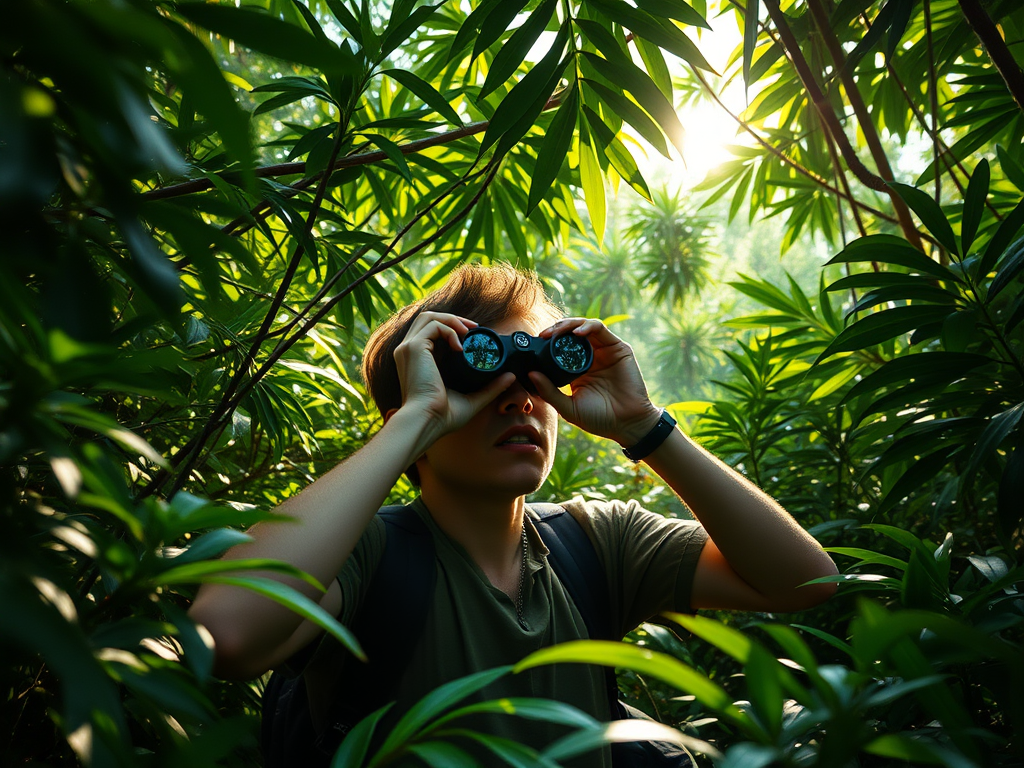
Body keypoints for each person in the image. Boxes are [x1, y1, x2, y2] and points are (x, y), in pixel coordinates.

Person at [188, 264, 838, 764]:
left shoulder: (599, 542)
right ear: (413, 415)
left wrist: (643, 426)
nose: (518, 399)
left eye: (534, 372)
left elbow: (806, 580)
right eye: (480, 372)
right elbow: (224, 637)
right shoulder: (364, 553)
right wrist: (416, 421)